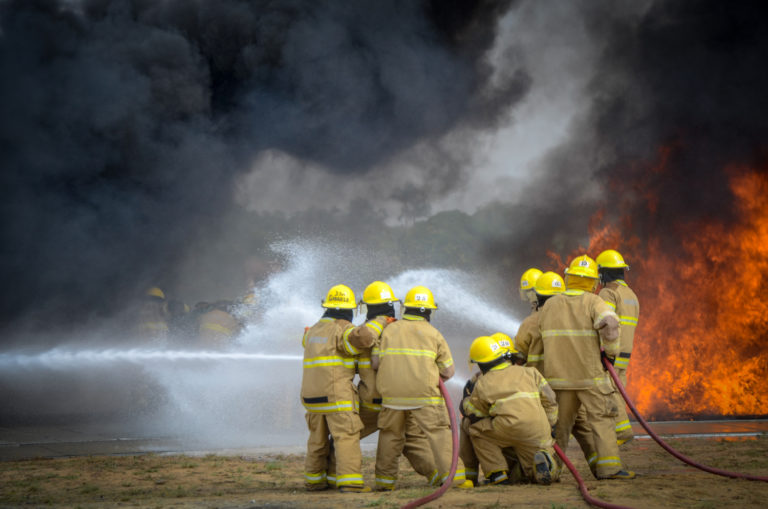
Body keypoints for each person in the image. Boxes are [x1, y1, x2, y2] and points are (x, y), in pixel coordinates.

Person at [539, 255, 635, 480]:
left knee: (559, 428)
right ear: (593, 282)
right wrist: (610, 353)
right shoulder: (593, 302)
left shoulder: (550, 304)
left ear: (568, 277)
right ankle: (609, 469)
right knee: (602, 420)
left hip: (558, 379)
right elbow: (611, 324)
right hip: (590, 376)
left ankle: (552, 472)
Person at [372, 285, 472, 490]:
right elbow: (449, 371)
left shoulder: (388, 330)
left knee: (390, 435)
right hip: (424, 395)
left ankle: (384, 481)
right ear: (428, 311)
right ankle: (456, 479)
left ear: (405, 309)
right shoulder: (434, 334)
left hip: (392, 396)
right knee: (439, 433)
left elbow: (375, 363)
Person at [355, 281, 438, 486]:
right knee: (412, 439)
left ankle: (331, 474)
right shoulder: (400, 330)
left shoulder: (365, 332)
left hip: (374, 400)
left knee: (346, 437)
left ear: (368, 307)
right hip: (402, 397)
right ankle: (439, 474)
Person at [300, 284, 373, 493]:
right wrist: (377, 322)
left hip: (312, 399)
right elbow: (364, 339)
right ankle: (350, 482)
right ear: (347, 310)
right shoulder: (342, 329)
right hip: (337, 397)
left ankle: (315, 481)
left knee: (317, 440)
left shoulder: (312, 331)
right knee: (346, 438)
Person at [463, 336, 559, 485]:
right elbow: (551, 400)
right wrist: (550, 426)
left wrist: (465, 402)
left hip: (507, 429)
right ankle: (546, 464)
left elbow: (476, 414)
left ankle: (497, 474)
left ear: (481, 365)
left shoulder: (483, 382)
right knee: (531, 472)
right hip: (538, 430)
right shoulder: (531, 372)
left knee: (476, 430)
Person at [597, 249, 640, 446]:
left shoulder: (608, 292)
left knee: (611, 392)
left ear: (604, 273)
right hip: (626, 352)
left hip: (612, 351)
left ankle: (622, 432)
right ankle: (619, 432)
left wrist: (603, 349)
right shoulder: (631, 294)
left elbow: (606, 321)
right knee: (619, 390)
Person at [514, 268, 544, 364]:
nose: (525, 295)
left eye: (527, 291)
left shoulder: (531, 321)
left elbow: (519, 351)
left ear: (533, 292)